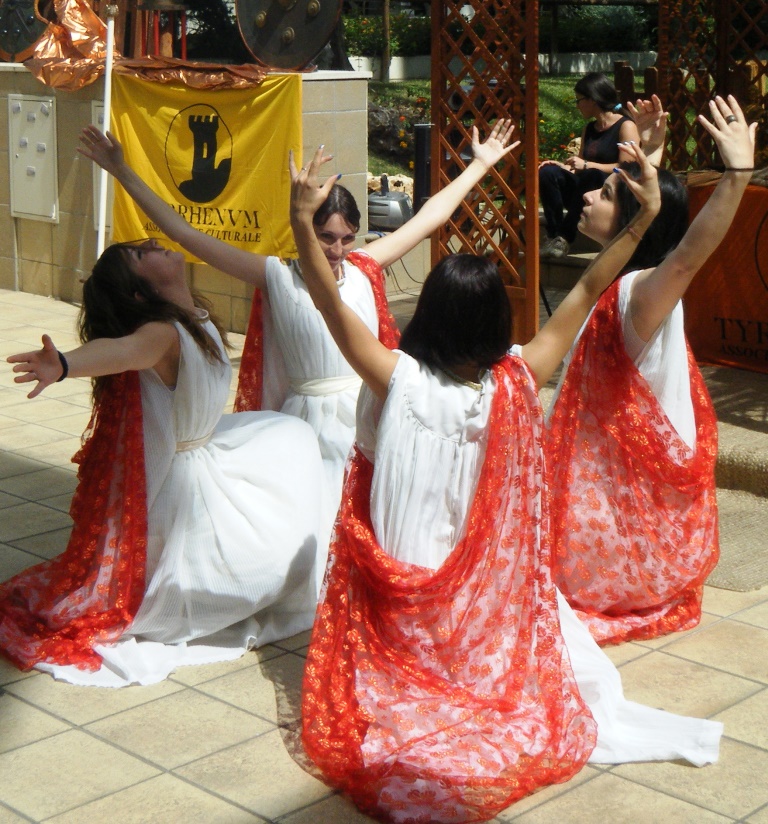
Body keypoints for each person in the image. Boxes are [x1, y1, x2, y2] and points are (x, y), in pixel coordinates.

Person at [290, 127, 721, 823]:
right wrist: (642, 220)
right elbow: (588, 282)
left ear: (426, 313)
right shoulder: (520, 379)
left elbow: (325, 297)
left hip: (405, 576)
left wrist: (299, 224)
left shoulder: (393, 377)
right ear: (497, 321)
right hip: (484, 593)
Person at [78, 123, 517, 568]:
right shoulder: (278, 276)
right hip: (308, 425)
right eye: (326, 237)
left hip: (370, 411)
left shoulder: (366, 267)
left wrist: (479, 165)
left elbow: (430, 218)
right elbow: (185, 232)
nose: (338, 251)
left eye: (347, 238)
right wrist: (121, 171)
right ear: (306, 230)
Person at [0, 238, 325, 687]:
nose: (152, 242)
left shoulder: (193, 317)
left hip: (209, 446)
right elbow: (122, 351)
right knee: (246, 559)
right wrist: (65, 364)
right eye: (139, 255)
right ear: (139, 293)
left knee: (291, 439)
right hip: (188, 478)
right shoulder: (161, 334)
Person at [547, 95, 756, 646]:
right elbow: (658, 225)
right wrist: (647, 147)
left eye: (607, 193)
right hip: (611, 508)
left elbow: (685, 255)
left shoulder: (641, 293)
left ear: (634, 216)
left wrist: (736, 175)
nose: (588, 195)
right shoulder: (618, 281)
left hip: (629, 537)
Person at [539, 71, 640, 259]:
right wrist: (562, 166)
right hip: (584, 191)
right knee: (548, 173)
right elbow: (580, 166)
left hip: (611, 194)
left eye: (579, 100)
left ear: (593, 99)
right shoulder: (590, 128)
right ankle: (553, 235)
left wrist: (587, 164)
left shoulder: (625, 126)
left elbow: (627, 167)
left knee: (592, 174)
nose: (577, 105)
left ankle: (564, 237)